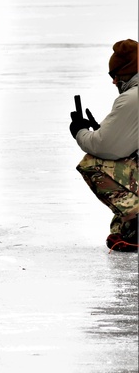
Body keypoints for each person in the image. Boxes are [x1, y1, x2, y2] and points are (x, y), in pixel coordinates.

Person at [69, 39, 138, 252]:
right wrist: (102, 128)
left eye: (114, 75)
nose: (114, 81)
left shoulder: (131, 98)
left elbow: (104, 147)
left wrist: (79, 132)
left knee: (92, 163)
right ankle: (129, 227)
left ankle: (134, 219)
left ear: (126, 72)